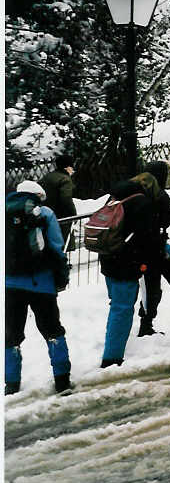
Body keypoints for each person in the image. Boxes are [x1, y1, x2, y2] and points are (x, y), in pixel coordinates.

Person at [98, 166, 170, 367]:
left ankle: (112, 351)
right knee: (122, 309)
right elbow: (145, 237)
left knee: (117, 306)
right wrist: (160, 250)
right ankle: (111, 359)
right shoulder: (142, 202)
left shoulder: (116, 196)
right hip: (126, 262)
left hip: (108, 257)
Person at [5, 180, 72, 394]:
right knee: (52, 330)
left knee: (11, 335)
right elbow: (56, 247)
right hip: (42, 283)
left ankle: (12, 384)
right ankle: (62, 380)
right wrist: (61, 277)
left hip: (11, 284)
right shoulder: (44, 213)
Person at [134, 161, 170, 337]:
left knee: (144, 288)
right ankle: (145, 325)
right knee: (152, 289)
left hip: (135, 249)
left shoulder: (138, 190)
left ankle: (144, 322)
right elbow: (164, 218)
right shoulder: (158, 194)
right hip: (150, 250)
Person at [39, 154, 78, 251]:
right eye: (72, 166)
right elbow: (66, 199)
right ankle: (61, 263)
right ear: (68, 167)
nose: (73, 169)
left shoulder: (48, 176)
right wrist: (73, 214)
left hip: (46, 214)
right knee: (63, 241)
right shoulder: (65, 179)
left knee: (49, 241)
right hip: (61, 215)